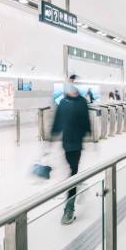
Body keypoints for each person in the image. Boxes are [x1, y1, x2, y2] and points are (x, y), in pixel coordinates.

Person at [51, 83, 91, 225]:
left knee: (72, 172)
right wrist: (52, 137)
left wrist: (88, 131)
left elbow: (86, 120)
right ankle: (76, 182)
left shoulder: (81, 102)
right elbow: (57, 121)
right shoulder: (63, 102)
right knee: (72, 170)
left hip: (77, 144)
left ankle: (69, 208)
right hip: (67, 143)